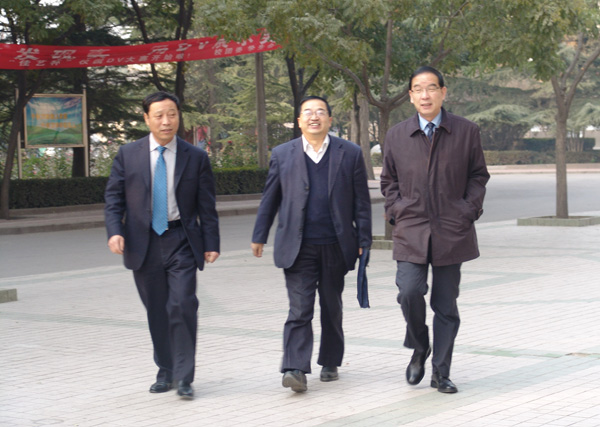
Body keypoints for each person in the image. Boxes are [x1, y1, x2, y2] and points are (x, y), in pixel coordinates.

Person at [251, 96, 372, 393]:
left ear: (330, 119)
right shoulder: (283, 154)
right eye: (307, 112)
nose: (314, 117)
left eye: (320, 112)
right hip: (298, 246)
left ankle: (330, 360)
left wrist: (363, 239)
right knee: (300, 308)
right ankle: (294, 368)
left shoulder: (350, 153)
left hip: (335, 244)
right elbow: (270, 198)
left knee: (331, 306)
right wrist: (259, 234)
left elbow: (361, 202)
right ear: (299, 121)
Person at [380, 66, 489, 393]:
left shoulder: (466, 131)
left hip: (451, 230)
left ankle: (441, 372)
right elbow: (388, 181)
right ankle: (419, 346)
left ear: (443, 92)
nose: (425, 95)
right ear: (410, 96)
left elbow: (478, 176)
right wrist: (397, 210)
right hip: (411, 228)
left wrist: (467, 210)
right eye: (418, 89)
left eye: (431, 88)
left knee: (445, 305)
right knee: (409, 292)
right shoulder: (397, 135)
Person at [104, 91, 220, 399]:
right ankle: (166, 370)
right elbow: (113, 198)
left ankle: (184, 377)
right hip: (143, 243)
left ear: (179, 117)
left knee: (182, 304)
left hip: (181, 239)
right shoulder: (128, 154)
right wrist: (115, 231)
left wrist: (211, 242)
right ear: (147, 119)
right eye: (159, 115)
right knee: (157, 310)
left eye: (172, 114)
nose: (166, 121)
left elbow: (207, 205)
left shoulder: (195, 157)